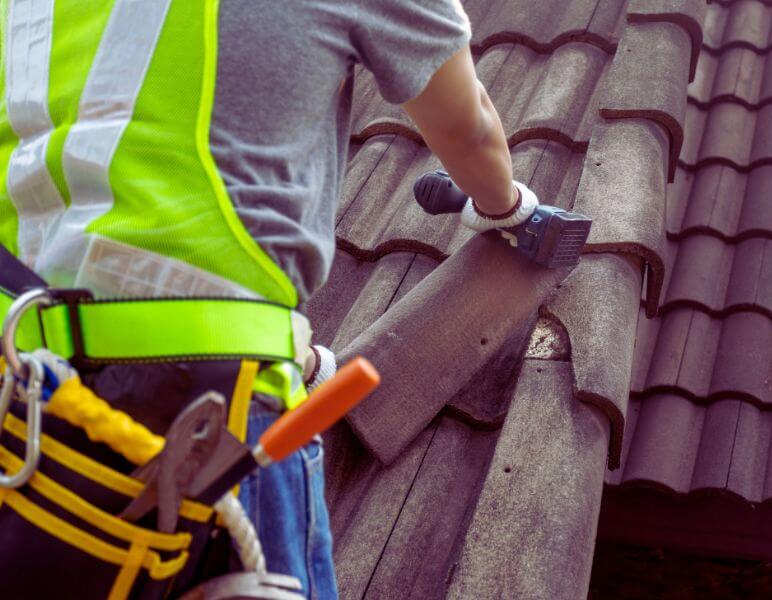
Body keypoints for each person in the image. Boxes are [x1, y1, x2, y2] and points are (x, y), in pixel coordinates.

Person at [0, 0, 539, 598]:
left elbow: (115, 212)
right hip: (204, 411)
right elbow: (471, 129)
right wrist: (510, 208)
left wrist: (287, 349)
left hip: (21, 400)